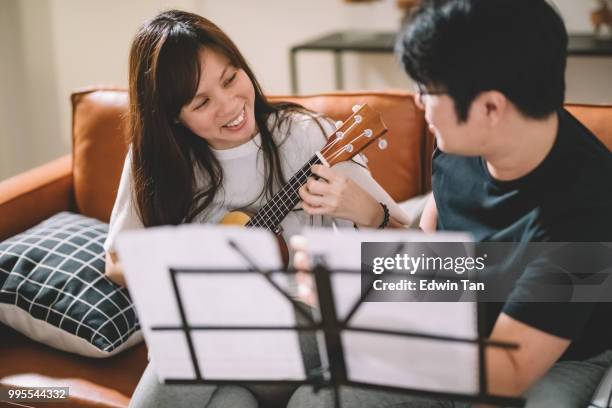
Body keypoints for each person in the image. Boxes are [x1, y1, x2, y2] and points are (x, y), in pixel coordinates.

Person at [294, 0, 612, 406]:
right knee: (316, 398)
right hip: (460, 320)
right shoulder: (460, 146)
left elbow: (507, 374)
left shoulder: (589, 211)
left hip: (553, 357)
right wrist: (344, 279)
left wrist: (363, 322)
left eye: (427, 89)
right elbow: (427, 259)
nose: (417, 102)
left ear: (491, 107)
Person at [103, 9, 410, 408]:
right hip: (230, 367)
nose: (230, 105)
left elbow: (420, 253)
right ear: (173, 117)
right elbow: (115, 261)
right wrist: (195, 257)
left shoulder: (309, 138)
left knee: (185, 347)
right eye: (202, 102)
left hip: (309, 340)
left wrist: (368, 212)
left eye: (231, 79)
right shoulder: (155, 163)